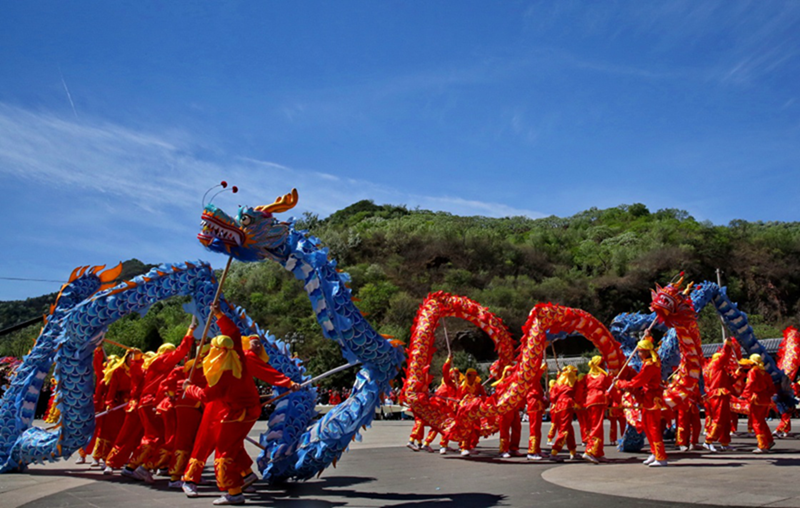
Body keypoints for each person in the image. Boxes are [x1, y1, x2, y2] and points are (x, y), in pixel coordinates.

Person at [183, 303, 299, 505]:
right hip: (248, 410)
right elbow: (233, 332)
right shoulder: (237, 355)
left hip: (231, 412)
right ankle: (244, 476)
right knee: (230, 446)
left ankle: (232, 490)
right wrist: (219, 314)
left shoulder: (226, 374)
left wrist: (187, 388)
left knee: (222, 449)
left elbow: (205, 395)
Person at [618, 337, 667, 467]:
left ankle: (661, 457)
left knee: (653, 427)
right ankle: (654, 452)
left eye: (640, 351)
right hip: (647, 398)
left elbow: (640, 381)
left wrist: (622, 383)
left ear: (646, 352)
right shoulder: (650, 362)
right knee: (647, 425)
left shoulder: (650, 365)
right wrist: (646, 335)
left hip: (652, 399)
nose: (638, 354)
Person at [739, 354, 776, 453]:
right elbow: (771, 388)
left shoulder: (753, 371)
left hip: (757, 399)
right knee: (761, 421)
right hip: (765, 399)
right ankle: (769, 440)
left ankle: (762, 445)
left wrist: (744, 394)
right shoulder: (765, 373)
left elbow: (751, 383)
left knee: (756, 422)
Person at [702, 339, 734, 452]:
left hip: (722, 394)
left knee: (726, 420)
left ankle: (725, 442)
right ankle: (708, 440)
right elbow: (725, 354)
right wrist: (727, 344)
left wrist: (737, 376)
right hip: (717, 395)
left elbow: (728, 382)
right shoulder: (716, 365)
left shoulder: (720, 369)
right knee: (719, 418)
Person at [583, 356, 610, 464]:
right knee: (597, 427)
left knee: (595, 426)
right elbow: (609, 387)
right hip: (598, 400)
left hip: (590, 400)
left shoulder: (588, 376)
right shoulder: (603, 376)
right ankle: (589, 451)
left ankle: (598, 452)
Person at [548, 365, 578, 461]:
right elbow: (578, 394)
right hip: (567, 406)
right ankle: (554, 452)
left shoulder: (558, 383)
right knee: (564, 430)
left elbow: (552, 397)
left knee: (569, 430)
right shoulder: (573, 383)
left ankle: (573, 451)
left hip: (558, 407)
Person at [457, 368, 487, 456]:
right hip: (464, 411)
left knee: (476, 429)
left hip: (475, 411)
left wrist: (477, 400)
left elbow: (484, 395)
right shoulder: (462, 386)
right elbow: (458, 398)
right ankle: (463, 447)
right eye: (470, 375)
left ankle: (471, 446)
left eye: (474, 375)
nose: (472, 377)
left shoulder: (478, 385)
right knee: (466, 429)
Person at [526, 363, 548, 461]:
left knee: (537, 430)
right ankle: (532, 451)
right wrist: (542, 369)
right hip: (533, 405)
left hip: (537, 406)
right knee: (534, 429)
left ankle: (537, 449)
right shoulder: (530, 379)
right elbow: (536, 376)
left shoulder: (536, 382)